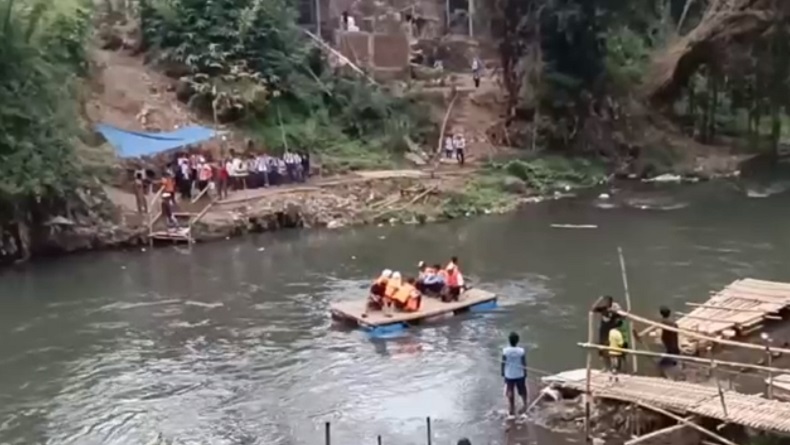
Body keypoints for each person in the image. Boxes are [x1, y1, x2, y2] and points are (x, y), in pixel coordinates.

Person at [502, 332, 528, 418]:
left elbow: (503, 363)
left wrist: (502, 372)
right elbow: (524, 363)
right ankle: (525, 405)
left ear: (509, 340)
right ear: (517, 341)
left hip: (509, 375)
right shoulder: (521, 351)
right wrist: (525, 372)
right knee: (522, 390)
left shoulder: (505, 351)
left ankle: (512, 408)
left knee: (510, 390)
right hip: (520, 374)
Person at [592, 295, 622, 368]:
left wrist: (618, 308)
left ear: (611, 302)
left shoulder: (614, 312)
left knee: (611, 351)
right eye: (606, 302)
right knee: (602, 350)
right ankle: (605, 367)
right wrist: (599, 300)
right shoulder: (603, 309)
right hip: (602, 332)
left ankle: (613, 367)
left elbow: (622, 317)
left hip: (611, 334)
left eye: (609, 302)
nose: (607, 303)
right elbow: (593, 308)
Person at [658, 306, 680, 377]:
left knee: (662, 364)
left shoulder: (665, 322)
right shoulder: (673, 323)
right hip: (673, 344)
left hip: (670, 345)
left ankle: (664, 374)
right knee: (671, 358)